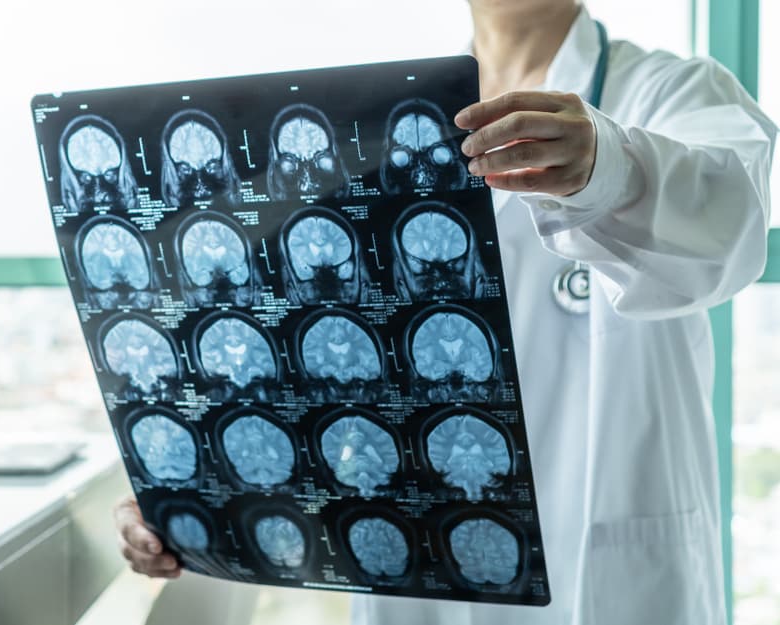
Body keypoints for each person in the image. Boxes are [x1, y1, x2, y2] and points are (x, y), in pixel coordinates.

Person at [114, 1, 777, 623]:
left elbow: (731, 223)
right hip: (415, 577)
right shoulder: (374, 134)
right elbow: (299, 376)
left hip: (610, 580)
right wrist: (184, 491)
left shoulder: (676, 93)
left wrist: (606, 167)